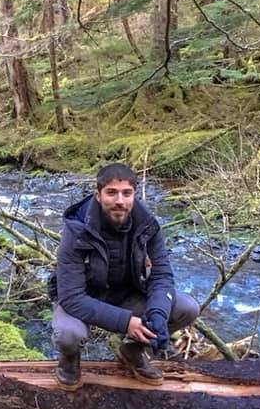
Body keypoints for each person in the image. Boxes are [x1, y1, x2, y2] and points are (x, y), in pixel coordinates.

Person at [48, 163, 199, 389]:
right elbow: (71, 298)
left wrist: (158, 314)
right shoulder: (76, 229)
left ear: (134, 195)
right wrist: (126, 322)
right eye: (112, 192)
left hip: (128, 294)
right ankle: (69, 360)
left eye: (126, 193)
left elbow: (162, 276)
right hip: (83, 298)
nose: (120, 200)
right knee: (68, 335)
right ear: (98, 195)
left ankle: (132, 351)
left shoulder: (147, 225)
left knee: (187, 308)